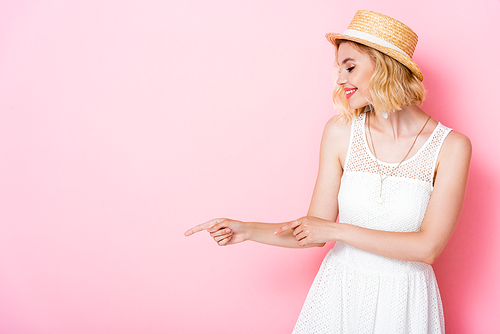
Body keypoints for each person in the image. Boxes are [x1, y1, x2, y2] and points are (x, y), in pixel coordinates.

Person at [184, 10, 471, 333]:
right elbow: (313, 229)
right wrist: (247, 230)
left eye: (350, 66)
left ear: (384, 66)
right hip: (341, 291)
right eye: (339, 68)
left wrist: (336, 231)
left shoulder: (452, 147)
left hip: (403, 300)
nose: (340, 79)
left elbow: (427, 248)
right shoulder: (340, 132)